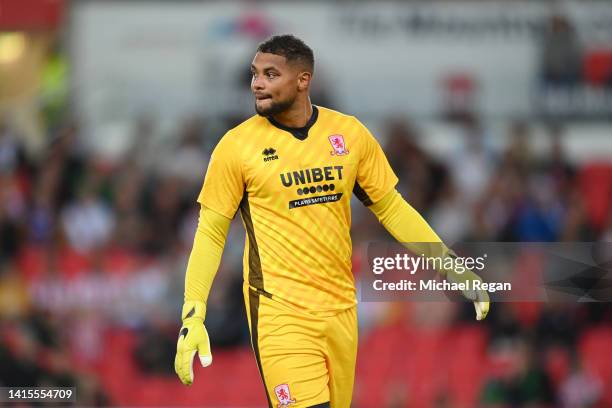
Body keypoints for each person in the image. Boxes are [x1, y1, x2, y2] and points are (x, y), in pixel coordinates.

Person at [174, 34, 490, 408]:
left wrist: (448, 263)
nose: (257, 83)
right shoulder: (236, 147)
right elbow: (211, 231)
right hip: (280, 314)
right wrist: (194, 311)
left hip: (341, 311)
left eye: (270, 74)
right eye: (255, 73)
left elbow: (391, 208)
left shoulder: (349, 134)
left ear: (303, 80)